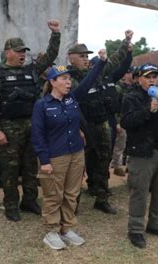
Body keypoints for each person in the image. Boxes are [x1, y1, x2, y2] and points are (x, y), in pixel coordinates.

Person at [0, 19, 61, 221]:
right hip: (7, 127)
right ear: (7, 52)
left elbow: (51, 55)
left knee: (30, 167)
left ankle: (29, 201)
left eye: (24, 51)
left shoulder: (31, 70)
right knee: (10, 169)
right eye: (18, 51)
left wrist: (55, 34)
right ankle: (10, 205)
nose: (22, 54)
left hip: (31, 126)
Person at [31, 50, 107, 250]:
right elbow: (37, 136)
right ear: (53, 82)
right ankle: (52, 231)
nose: (68, 82)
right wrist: (45, 161)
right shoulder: (42, 105)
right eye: (63, 79)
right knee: (54, 195)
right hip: (55, 157)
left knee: (71, 193)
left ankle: (67, 228)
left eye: (69, 79)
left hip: (76, 154)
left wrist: (101, 62)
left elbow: (88, 81)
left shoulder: (72, 99)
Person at [67, 30, 132, 214]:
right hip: (81, 126)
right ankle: (73, 203)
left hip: (101, 123)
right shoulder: (68, 77)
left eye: (87, 56)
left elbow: (115, 60)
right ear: (71, 58)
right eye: (81, 56)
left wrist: (125, 41)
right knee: (78, 166)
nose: (86, 59)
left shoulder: (97, 73)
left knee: (104, 160)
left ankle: (102, 198)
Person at [120, 63, 158, 249]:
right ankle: (136, 230)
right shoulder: (131, 97)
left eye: (155, 76)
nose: (152, 79)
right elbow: (127, 122)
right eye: (148, 76)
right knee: (140, 191)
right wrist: (148, 110)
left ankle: (156, 225)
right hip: (143, 154)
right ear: (139, 79)